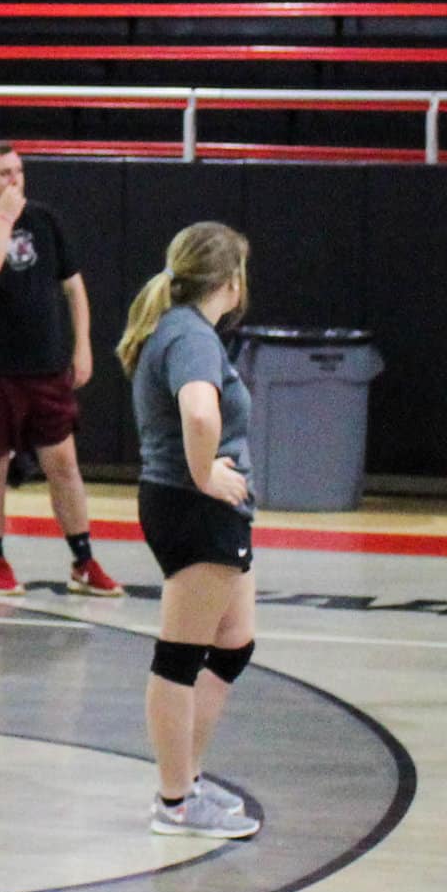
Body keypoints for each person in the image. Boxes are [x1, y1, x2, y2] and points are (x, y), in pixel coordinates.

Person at [120, 222, 260, 840]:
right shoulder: (191, 337)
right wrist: (205, 474)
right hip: (192, 505)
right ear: (231, 282)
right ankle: (175, 801)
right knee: (178, 657)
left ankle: (190, 778)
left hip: (199, 506)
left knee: (233, 643)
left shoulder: (182, 329)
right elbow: (199, 410)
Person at [0, 141, 119, 599]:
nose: (15, 181)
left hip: (44, 365)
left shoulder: (45, 220)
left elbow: (74, 287)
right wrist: (3, 219)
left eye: (19, 171)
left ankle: (83, 560)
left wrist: (82, 346)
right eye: (3, 173)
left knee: (63, 463)